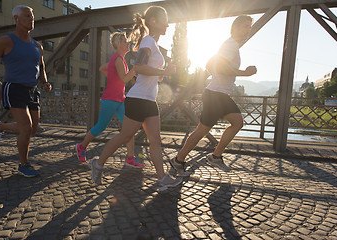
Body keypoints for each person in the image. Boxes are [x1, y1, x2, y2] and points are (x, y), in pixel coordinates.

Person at [89, 6, 183, 191]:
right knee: (125, 136)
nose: (168, 23)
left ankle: (162, 178)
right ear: (154, 21)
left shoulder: (152, 44)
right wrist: (163, 70)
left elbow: (154, 76)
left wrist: (167, 70)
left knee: (155, 140)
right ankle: (98, 163)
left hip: (149, 100)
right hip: (138, 99)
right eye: (165, 18)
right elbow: (139, 67)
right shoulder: (147, 41)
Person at [170, 15, 257, 176]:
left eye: (249, 27)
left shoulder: (231, 45)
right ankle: (178, 160)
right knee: (202, 130)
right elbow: (221, 68)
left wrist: (219, 76)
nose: (248, 30)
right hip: (216, 94)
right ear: (236, 27)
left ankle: (215, 156)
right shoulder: (230, 45)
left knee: (237, 123)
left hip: (220, 93)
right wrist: (244, 72)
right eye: (246, 26)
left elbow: (210, 64)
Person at [0, 5, 52, 177]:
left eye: (32, 16)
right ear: (16, 19)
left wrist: (44, 81)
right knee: (26, 127)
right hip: (14, 88)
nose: (31, 19)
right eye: (27, 16)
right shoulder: (6, 41)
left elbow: (41, 65)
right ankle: (23, 164)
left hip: (32, 89)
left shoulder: (37, 45)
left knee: (33, 129)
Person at [75, 32, 143, 168]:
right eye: (125, 41)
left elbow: (106, 70)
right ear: (118, 44)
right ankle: (81, 147)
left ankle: (130, 158)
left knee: (128, 129)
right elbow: (124, 79)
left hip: (120, 98)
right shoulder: (117, 59)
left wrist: (113, 76)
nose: (128, 43)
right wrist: (135, 70)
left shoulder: (121, 59)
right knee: (101, 126)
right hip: (111, 99)